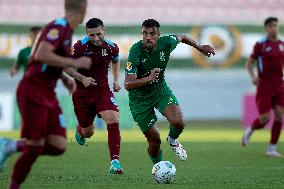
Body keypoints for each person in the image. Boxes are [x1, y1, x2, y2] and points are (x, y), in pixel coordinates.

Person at [0, 0, 92, 188]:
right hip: (33, 89)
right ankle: (12, 179)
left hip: (47, 93)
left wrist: (66, 79)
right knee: (35, 147)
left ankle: (11, 145)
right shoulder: (58, 27)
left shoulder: (67, 32)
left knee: (58, 145)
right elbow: (42, 55)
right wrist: (77, 63)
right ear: (83, 10)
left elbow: (51, 61)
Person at [124, 19, 215, 164]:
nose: (148, 37)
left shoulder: (166, 42)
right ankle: (159, 167)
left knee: (178, 122)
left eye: (152, 34)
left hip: (160, 91)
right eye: (145, 34)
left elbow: (182, 37)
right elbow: (128, 84)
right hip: (139, 100)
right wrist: (148, 78)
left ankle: (172, 140)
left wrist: (199, 47)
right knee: (154, 141)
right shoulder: (135, 51)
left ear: (158, 35)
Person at [65, 18, 123, 174]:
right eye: (92, 35)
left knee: (113, 118)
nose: (96, 38)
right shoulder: (79, 47)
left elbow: (116, 61)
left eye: (98, 34)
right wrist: (82, 78)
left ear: (104, 30)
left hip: (102, 91)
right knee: (88, 132)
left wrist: (116, 80)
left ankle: (115, 162)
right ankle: (80, 130)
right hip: (82, 94)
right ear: (86, 34)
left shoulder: (112, 47)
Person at [242, 17, 284, 157]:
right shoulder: (261, 44)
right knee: (265, 118)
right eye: (271, 26)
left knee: (279, 116)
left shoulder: (281, 44)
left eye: (276, 26)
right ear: (266, 28)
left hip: (279, 85)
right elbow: (249, 63)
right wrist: (253, 77)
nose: (274, 28)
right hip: (264, 86)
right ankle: (251, 129)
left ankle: (271, 149)